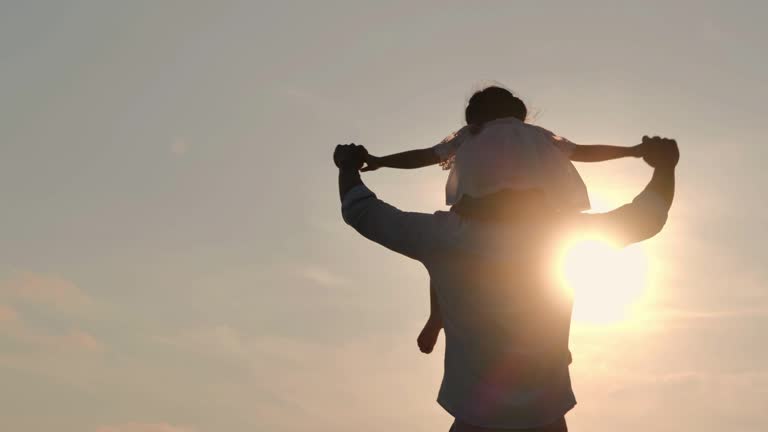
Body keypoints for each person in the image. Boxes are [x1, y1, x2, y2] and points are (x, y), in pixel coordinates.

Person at [334, 136, 678, 432]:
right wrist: (664, 166)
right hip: (545, 418)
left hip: (475, 419)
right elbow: (647, 216)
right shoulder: (562, 235)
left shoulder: (443, 236)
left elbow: (360, 210)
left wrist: (349, 166)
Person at [361, 86, 649, 354]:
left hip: (482, 210)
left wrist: (380, 160)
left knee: (441, 250)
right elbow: (585, 152)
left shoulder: (473, 134)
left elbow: (425, 156)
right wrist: (633, 151)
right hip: (534, 213)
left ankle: (438, 317)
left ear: (476, 115)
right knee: (549, 266)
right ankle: (547, 336)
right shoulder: (537, 135)